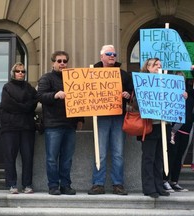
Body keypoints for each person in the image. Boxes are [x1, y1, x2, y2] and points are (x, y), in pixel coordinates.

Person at [88, 45, 133, 196]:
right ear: (102, 57)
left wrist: (128, 95)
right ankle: (98, 184)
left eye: (114, 54)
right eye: (108, 54)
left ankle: (118, 184)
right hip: (101, 116)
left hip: (118, 116)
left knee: (118, 152)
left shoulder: (123, 74)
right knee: (100, 152)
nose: (112, 56)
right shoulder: (92, 73)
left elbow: (132, 93)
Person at [37, 51, 84, 195]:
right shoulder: (46, 78)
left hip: (70, 125)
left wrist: (80, 119)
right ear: (53, 63)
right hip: (53, 125)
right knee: (52, 158)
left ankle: (65, 185)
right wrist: (55, 95)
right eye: (59, 61)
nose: (62, 63)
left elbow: (82, 98)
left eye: (64, 61)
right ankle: (53, 186)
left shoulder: (73, 78)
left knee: (67, 158)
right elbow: (40, 96)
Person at [137, 57, 174, 198]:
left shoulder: (167, 83)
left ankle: (159, 186)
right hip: (149, 126)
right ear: (148, 67)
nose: (158, 67)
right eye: (155, 65)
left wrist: (181, 95)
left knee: (159, 157)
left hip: (164, 125)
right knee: (149, 157)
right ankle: (149, 187)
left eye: (160, 65)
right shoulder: (142, 83)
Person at [0, 62, 37, 194]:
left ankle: (27, 184)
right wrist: (24, 107)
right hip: (10, 128)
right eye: (18, 71)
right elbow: (7, 104)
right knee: (10, 157)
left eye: (23, 71)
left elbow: (34, 103)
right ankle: (12, 184)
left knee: (28, 157)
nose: (21, 73)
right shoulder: (7, 87)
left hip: (27, 128)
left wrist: (21, 107)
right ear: (13, 73)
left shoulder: (29, 88)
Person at [162, 71, 193, 192]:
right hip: (173, 130)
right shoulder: (168, 93)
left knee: (179, 156)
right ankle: (164, 180)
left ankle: (174, 181)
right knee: (171, 155)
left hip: (185, 130)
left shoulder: (189, 94)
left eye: (182, 79)